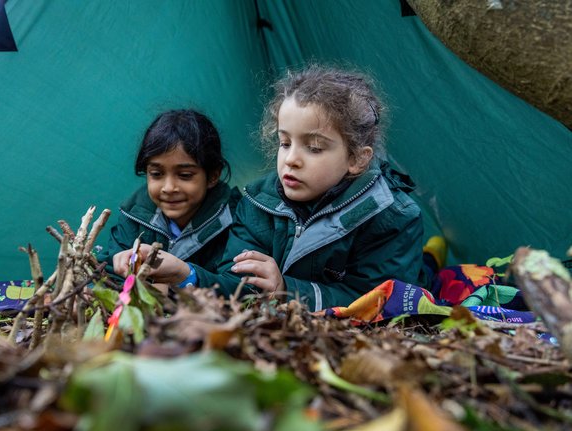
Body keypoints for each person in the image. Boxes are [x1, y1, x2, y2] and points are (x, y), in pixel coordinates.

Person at [127, 66, 426, 311]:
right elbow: (234, 285)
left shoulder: (394, 217)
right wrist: (185, 274)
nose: (291, 159)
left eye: (314, 147)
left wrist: (286, 288)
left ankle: (431, 260)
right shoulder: (258, 203)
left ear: (356, 159)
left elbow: (383, 302)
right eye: (285, 143)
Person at [97, 109, 241, 278]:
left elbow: (238, 287)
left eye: (185, 175)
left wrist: (186, 276)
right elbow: (108, 273)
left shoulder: (237, 218)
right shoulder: (134, 216)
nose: (169, 187)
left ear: (213, 176)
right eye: (156, 174)